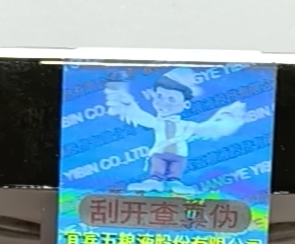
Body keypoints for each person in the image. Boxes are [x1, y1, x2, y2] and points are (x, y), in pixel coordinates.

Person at [104, 68, 249, 192]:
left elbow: (206, 129)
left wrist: (228, 120)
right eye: (159, 96)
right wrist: (124, 101)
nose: (163, 103)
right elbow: (139, 116)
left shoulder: (186, 126)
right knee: (157, 171)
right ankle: (154, 181)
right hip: (159, 154)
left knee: (175, 173)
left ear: (185, 104)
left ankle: (175, 183)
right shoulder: (157, 122)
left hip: (179, 156)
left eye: (171, 99)